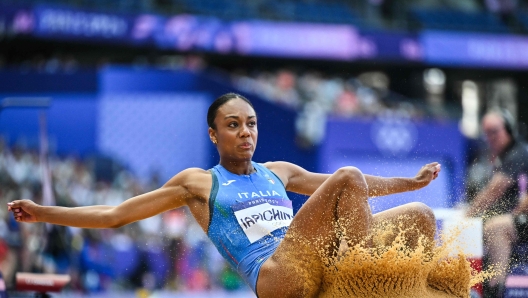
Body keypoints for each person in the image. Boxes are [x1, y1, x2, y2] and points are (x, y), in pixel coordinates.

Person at [8, 93, 442, 297]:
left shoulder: (279, 172)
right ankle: (363, 282)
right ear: (214, 135)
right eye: (233, 125)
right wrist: (45, 212)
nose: (245, 131)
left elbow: (359, 188)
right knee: (347, 176)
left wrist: (411, 184)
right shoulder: (199, 182)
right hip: (275, 276)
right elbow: (116, 215)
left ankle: (401, 289)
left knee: (420, 216)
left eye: (250, 122)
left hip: (315, 261)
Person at [465, 109, 528, 297]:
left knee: (496, 227)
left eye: (494, 131)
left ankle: (494, 290)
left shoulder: (518, 153)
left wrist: (465, 217)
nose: (490, 137)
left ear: (508, 129)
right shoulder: (501, 157)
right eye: (486, 133)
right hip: (520, 216)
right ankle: (474, 284)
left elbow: (494, 191)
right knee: (485, 224)